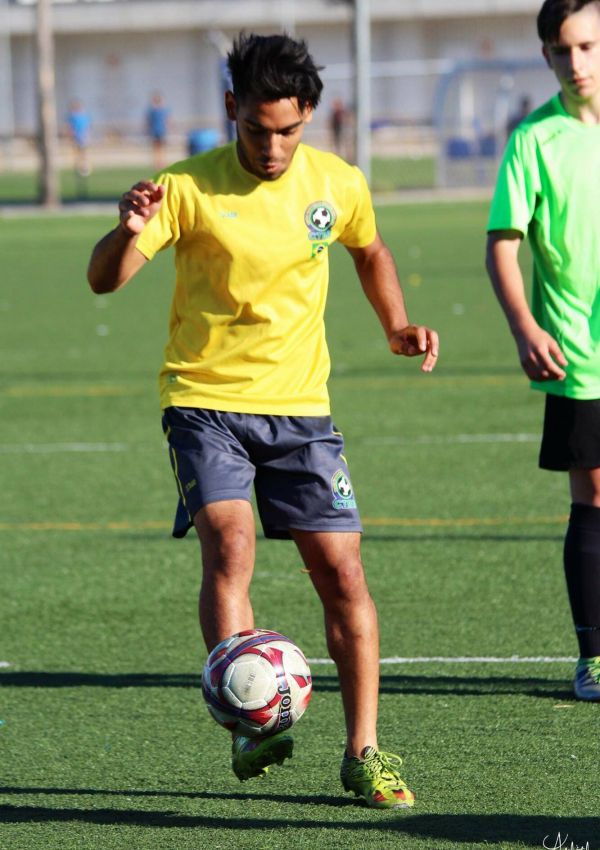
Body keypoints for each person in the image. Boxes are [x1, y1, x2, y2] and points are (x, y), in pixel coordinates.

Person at [87, 33, 439, 806]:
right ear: (231, 109)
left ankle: (365, 752)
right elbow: (104, 281)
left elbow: (370, 250)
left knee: (342, 572)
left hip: (302, 409)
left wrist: (396, 325)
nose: (272, 147)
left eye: (288, 130)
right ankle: (248, 721)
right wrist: (127, 228)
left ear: (309, 115)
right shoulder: (185, 188)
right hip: (204, 400)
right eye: (256, 129)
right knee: (231, 544)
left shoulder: (337, 182)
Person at [486, 0, 600, 701]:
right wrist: (525, 327)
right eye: (563, 50)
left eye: (588, 45)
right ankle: (595, 657)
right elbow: (503, 243)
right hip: (579, 350)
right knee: (593, 493)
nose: (576, 62)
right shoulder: (534, 139)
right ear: (546, 56)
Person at [66, 98, 92, 180]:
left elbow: (87, 127)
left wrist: (86, 135)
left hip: (82, 136)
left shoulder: (82, 116)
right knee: (78, 153)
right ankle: (79, 167)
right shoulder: (72, 116)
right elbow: (70, 127)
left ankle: (84, 167)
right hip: (77, 136)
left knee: (83, 153)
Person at [146, 91, 170, 169]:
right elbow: (149, 121)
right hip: (155, 131)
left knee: (161, 148)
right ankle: (157, 163)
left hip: (160, 131)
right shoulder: (153, 111)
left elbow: (166, 121)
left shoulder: (162, 110)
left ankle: (161, 163)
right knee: (156, 148)